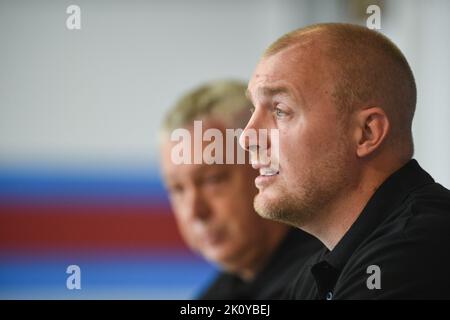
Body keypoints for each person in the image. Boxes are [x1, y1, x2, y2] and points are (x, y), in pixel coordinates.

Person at [239, 23, 450, 299]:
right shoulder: (324, 266)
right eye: (255, 109)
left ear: (366, 133)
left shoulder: (416, 251)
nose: (246, 137)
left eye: (280, 110)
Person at [159, 80, 322, 299]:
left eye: (212, 180)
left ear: (264, 165)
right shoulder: (213, 296)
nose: (195, 211)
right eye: (177, 189)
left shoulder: (328, 277)